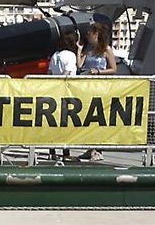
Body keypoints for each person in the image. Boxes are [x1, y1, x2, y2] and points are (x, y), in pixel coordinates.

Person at [78, 21, 117, 160]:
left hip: (101, 87)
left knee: (99, 117)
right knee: (89, 118)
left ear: (96, 34)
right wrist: (79, 50)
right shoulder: (88, 50)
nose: (87, 37)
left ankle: (99, 149)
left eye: (89, 34)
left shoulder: (106, 50)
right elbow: (79, 65)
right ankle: (90, 147)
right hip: (88, 87)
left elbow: (113, 69)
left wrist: (99, 72)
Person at [48, 30, 80, 162]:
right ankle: (65, 152)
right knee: (66, 123)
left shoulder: (55, 55)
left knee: (53, 123)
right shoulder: (70, 55)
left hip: (54, 91)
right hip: (67, 92)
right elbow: (69, 71)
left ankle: (52, 151)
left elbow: (49, 72)